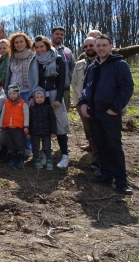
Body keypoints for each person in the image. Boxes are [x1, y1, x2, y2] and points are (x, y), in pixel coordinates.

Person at [79, 35, 134, 195]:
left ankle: (121, 181)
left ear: (111, 47)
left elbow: (127, 88)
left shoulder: (119, 64)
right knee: (100, 144)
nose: (101, 48)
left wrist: (115, 108)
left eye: (104, 45)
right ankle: (106, 174)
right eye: (98, 46)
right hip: (94, 114)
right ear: (95, 48)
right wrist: (83, 102)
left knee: (114, 146)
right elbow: (85, 88)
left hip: (110, 113)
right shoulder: (92, 67)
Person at [33, 35, 71, 168]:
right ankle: (46, 154)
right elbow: (35, 80)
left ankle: (65, 155)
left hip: (55, 94)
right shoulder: (35, 60)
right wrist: (34, 96)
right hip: (41, 96)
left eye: (42, 46)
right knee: (44, 125)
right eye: (37, 47)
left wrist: (59, 98)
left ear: (47, 46)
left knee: (60, 124)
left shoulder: (58, 59)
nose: (39, 50)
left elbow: (61, 81)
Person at [71, 37, 98, 159]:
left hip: (98, 103)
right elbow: (74, 83)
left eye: (91, 45)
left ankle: (99, 156)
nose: (89, 48)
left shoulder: (103, 62)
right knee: (87, 127)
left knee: (97, 129)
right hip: (81, 102)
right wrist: (77, 101)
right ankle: (92, 146)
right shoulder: (79, 64)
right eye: (86, 47)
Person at [0, 84, 29, 169]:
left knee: (19, 144)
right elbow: (3, 115)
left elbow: (26, 116)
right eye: (10, 93)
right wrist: (0, 126)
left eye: (14, 93)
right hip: (8, 128)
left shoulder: (23, 103)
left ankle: (21, 160)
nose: (12, 95)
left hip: (18, 128)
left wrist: (26, 126)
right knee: (10, 144)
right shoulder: (6, 103)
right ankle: (11, 159)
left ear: (18, 94)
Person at [28, 87, 57, 170]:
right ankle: (36, 161)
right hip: (35, 132)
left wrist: (53, 131)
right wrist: (28, 132)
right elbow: (29, 121)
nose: (39, 99)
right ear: (34, 98)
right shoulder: (31, 108)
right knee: (35, 147)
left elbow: (52, 120)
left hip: (46, 132)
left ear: (44, 98)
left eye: (41, 97)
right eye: (37, 97)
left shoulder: (48, 107)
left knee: (47, 147)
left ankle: (49, 161)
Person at [50, 26, 75, 109]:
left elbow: (73, 66)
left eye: (62, 34)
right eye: (57, 34)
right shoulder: (46, 50)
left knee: (65, 115)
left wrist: (69, 78)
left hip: (65, 89)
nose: (59, 36)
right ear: (51, 35)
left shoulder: (67, 51)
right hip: (50, 90)